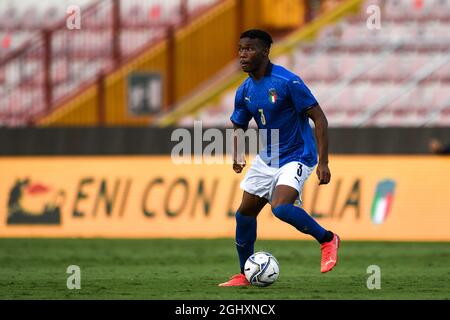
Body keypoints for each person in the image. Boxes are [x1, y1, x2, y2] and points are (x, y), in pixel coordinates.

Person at [219, 29, 340, 287]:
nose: (242, 54)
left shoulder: (288, 82)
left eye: (250, 49)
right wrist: (238, 153)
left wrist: (324, 161)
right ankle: (246, 274)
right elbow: (239, 124)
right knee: (244, 215)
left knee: (281, 207)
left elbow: (319, 117)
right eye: (240, 49)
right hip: (268, 159)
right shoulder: (244, 90)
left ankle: (328, 239)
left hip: (298, 155)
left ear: (265, 51)